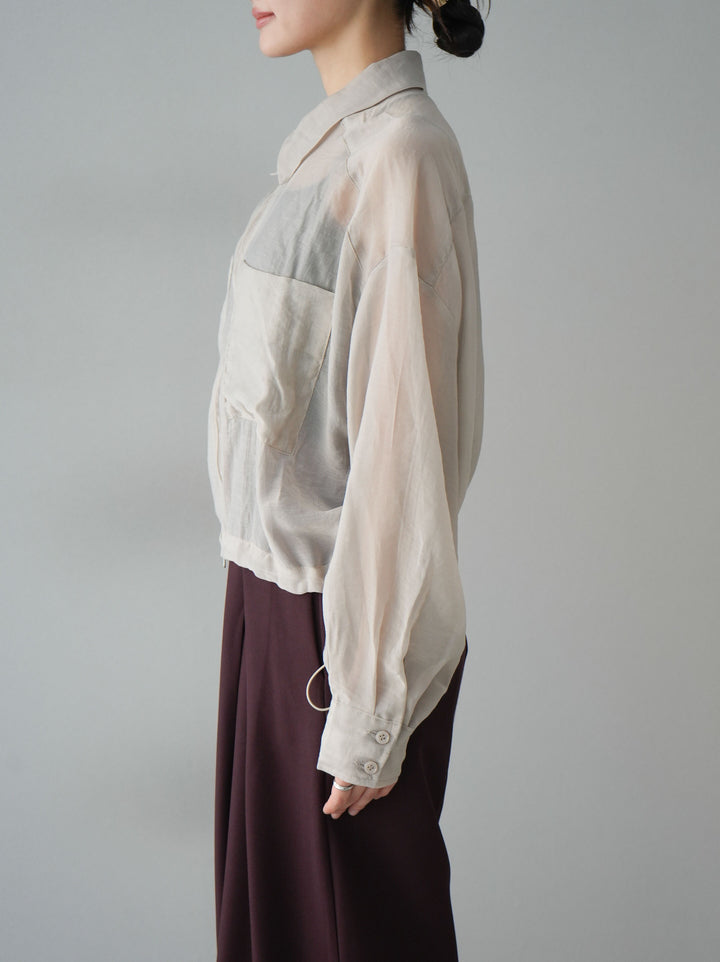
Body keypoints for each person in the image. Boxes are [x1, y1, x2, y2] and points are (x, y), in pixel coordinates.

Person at [207, 1, 488, 959]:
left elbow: (407, 447)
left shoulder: (400, 154)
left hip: (337, 639)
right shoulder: (328, 155)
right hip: (268, 619)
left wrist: (369, 709)